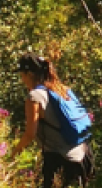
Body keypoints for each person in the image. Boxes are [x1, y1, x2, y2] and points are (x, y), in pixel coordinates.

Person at [10, 55, 94, 187]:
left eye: (22, 75)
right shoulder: (63, 89)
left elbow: (30, 134)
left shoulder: (35, 96)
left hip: (60, 160)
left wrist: (14, 153)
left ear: (30, 74)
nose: (22, 79)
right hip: (83, 155)